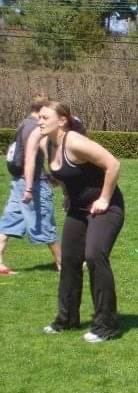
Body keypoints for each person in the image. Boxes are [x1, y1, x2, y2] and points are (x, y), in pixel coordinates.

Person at [26, 101, 124, 343]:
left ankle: (106, 325)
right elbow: (67, 173)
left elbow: (113, 164)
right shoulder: (47, 143)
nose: (39, 121)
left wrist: (103, 198)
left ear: (62, 120)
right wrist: (62, 186)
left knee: (94, 256)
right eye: (38, 117)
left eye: (45, 118)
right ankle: (67, 318)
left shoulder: (75, 142)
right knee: (69, 259)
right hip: (78, 210)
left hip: (106, 208)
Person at [0, 94, 61, 276]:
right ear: (43, 109)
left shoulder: (24, 123)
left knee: (9, 223)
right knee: (44, 222)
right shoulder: (36, 128)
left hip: (18, 181)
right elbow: (31, 159)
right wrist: (31, 187)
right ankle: (63, 263)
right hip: (31, 184)